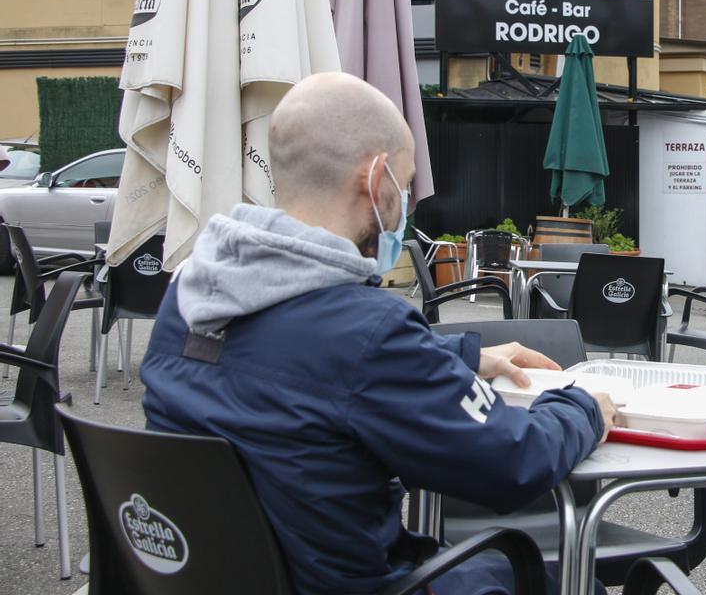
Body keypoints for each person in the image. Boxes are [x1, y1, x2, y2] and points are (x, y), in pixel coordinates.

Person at [141, 72, 616, 595]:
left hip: (205, 579)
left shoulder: (192, 294)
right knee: (568, 581)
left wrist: (456, 354)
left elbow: (288, 365)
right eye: (406, 184)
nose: (406, 201)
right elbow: (514, 462)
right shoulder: (365, 332)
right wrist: (584, 408)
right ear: (376, 180)